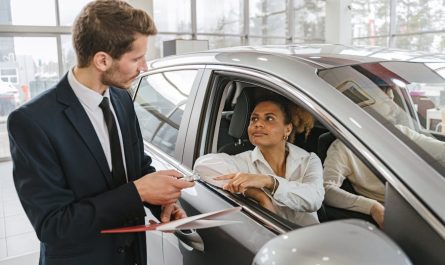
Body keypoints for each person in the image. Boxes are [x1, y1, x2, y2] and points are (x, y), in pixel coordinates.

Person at [7, 1, 194, 265]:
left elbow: (137, 167)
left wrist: (160, 201)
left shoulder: (121, 98)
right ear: (102, 60)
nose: (145, 67)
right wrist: (138, 193)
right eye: (136, 58)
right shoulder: (32, 122)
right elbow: (53, 226)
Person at [323, 86, 445, 229]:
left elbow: (441, 151)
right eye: (387, 101)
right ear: (367, 104)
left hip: (430, 202)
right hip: (404, 216)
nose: (394, 106)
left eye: (392, 99)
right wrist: (373, 207)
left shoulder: (401, 132)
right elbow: (327, 190)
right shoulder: (342, 148)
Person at [194, 95, 324, 226]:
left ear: (287, 129)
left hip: (311, 239)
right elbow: (202, 165)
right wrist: (259, 195)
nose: (258, 124)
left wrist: (269, 181)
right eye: (254, 119)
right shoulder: (242, 161)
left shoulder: (309, 160)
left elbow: (314, 199)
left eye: (269, 118)